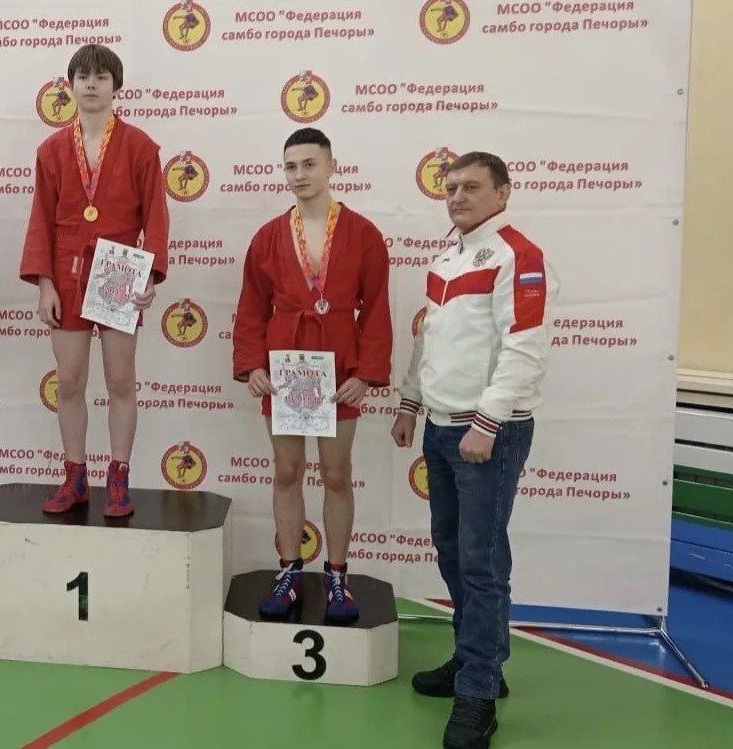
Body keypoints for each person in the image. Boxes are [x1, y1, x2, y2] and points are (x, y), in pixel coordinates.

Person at [392, 151, 558, 749]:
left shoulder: (519, 255)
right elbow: (430, 339)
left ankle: (479, 694)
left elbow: (525, 347)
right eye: (451, 188)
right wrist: (410, 401)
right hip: (442, 427)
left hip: (487, 432)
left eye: (471, 187)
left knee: (481, 562)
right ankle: (474, 661)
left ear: (503, 193)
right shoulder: (446, 258)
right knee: (452, 550)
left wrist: (487, 422)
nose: (457, 197)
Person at [232, 127, 393, 623]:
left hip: (338, 365)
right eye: (290, 166)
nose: (299, 175)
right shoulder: (268, 237)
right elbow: (252, 306)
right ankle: (289, 572)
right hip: (285, 365)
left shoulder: (363, 234)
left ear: (331, 167)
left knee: (337, 474)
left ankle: (337, 576)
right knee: (286, 470)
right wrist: (253, 364)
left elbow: (377, 308)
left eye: (309, 164)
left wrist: (365, 374)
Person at [20, 44, 169, 517]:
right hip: (67, 270)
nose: (91, 84)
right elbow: (41, 219)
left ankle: (118, 477)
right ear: (70, 85)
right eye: (83, 76)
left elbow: (157, 216)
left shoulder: (141, 146)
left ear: (115, 86)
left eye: (101, 77)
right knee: (69, 380)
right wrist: (45, 283)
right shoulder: (51, 150)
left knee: (121, 379)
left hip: (120, 270)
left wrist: (151, 275)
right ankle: (75, 475)